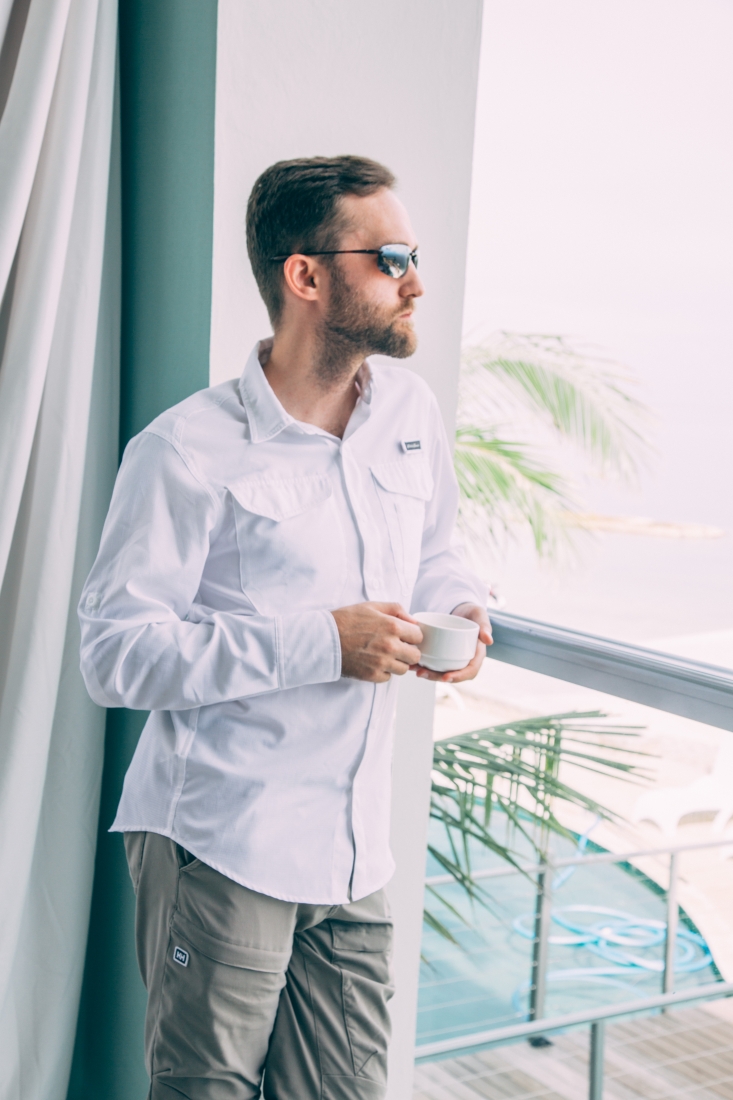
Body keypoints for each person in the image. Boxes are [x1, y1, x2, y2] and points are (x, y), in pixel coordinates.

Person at [79, 155, 491, 1099]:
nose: (416, 280)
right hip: (223, 840)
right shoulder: (183, 451)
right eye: (390, 257)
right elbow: (114, 653)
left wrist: (462, 606)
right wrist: (323, 641)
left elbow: (435, 547)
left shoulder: (410, 414)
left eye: (414, 254)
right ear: (305, 276)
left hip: (353, 851)